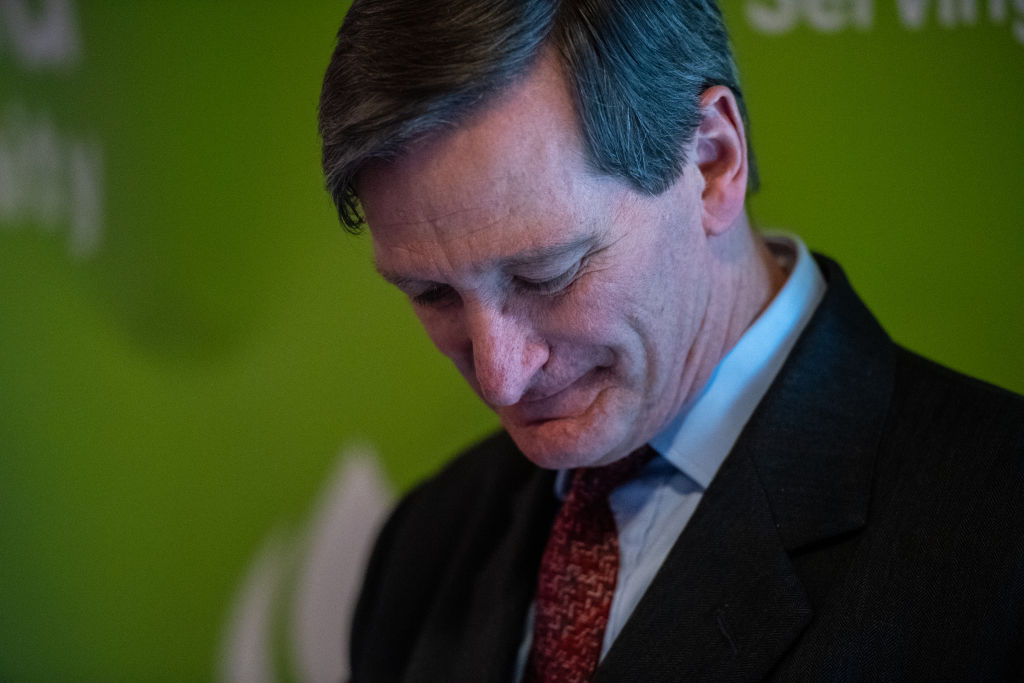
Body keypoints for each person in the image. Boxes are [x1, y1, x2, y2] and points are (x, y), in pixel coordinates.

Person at [318, 1, 1024, 680]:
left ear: (712, 162)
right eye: (432, 294)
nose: (502, 376)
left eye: (545, 274)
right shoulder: (425, 541)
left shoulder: (998, 525)